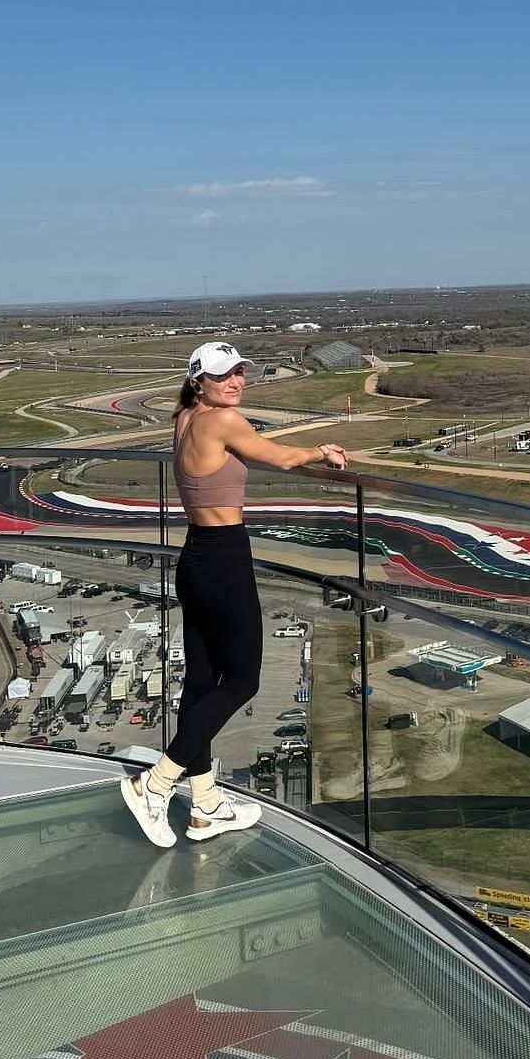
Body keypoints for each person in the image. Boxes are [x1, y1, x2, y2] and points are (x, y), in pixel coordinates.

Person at [121, 342, 347, 848]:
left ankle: (204, 806)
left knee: (201, 683)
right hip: (223, 559)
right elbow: (282, 458)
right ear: (199, 379)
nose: (236, 382)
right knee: (242, 679)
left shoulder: (184, 417)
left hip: (195, 556)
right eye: (224, 375)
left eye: (240, 373)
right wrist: (322, 451)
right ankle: (153, 786)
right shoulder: (222, 421)